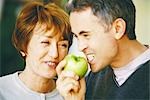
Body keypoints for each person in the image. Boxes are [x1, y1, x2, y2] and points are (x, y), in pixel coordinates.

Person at [56, 0, 150, 100]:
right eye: (77, 36)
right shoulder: (93, 78)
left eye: (86, 35)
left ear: (118, 29)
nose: (80, 47)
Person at [0, 1, 73, 100]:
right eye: (46, 42)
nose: (55, 54)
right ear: (23, 46)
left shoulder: (72, 93)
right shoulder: (3, 90)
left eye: (63, 45)